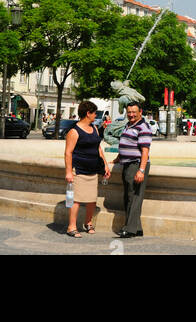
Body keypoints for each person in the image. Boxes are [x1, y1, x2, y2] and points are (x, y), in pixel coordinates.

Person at [64, 101, 111, 238]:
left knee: (91, 199)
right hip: (78, 170)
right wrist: (68, 172)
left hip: (93, 170)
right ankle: (71, 226)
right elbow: (68, 152)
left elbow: (98, 148)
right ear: (88, 113)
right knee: (76, 200)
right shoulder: (74, 131)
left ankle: (88, 223)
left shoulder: (95, 128)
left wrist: (105, 165)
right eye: (94, 113)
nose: (96, 115)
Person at [115, 101, 153, 238]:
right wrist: (118, 157)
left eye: (133, 112)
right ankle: (137, 228)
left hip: (136, 165)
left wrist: (141, 170)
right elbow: (126, 143)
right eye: (129, 112)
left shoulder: (143, 127)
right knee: (129, 197)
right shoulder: (129, 125)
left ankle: (129, 229)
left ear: (140, 112)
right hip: (127, 164)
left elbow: (145, 151)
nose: (131, 115)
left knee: (135, 198)